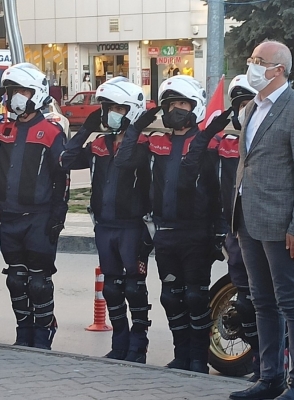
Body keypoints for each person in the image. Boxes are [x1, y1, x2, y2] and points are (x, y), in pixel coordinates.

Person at [116, 75, 229, 373]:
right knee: (171, 297)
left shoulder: (209, 142)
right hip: (164, 232)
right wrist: (137, 127)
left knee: (195, 297)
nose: (175, 110)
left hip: (197, 232)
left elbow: (220, 187)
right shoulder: (156, 143)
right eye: (170, 105)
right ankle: (182, 356)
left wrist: (220, 229)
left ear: (195, 106)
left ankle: (198, 359)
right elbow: (123, 162)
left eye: (181, 103)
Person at [228, 40, 294, 400]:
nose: (251, 65)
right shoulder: (252, 106)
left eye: (258, 61)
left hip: (283, 226)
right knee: (262, 301)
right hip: (248, 219)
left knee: (291, 302)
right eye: (250, 59)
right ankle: (270, 377)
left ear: (278, 69)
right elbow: (247, 163)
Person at [0, 63, 69, 350]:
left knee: (38, 282)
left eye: (21, 90)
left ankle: (44, 330)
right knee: (16, 280)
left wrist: (58, 217)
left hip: (40, 217)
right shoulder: (1, 128)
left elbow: (63, 176)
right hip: (8, 216)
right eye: (11, 91)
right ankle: (24, 332)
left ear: (37, 93)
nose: (15, 97)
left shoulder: (51, 130)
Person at [60, 78, 157, 363]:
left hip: (133, 228)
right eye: (107, 107)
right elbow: (66, 159)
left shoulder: (144, 146)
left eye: (118, 107)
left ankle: (139, 345)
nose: (111, 113)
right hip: (105, 226)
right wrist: (86, 129)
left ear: (132, 110)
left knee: (134, 288)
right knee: (112, 289)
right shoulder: (100, 145)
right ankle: (119, 343)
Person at [208, 75, 262, 382]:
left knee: (271, 302)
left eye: (252, 103)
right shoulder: (225, 144)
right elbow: (196, 165)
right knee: (246, 302)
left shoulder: (274, 138)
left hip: (269, 231)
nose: (247, 110)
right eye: (241, 105)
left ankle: (276, 367)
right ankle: (260, 366)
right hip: (235, 230)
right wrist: (216, 127)